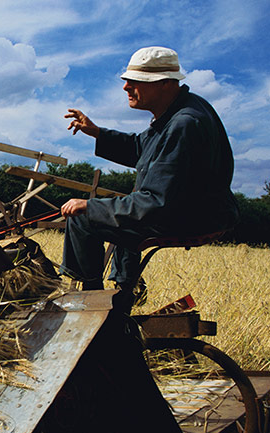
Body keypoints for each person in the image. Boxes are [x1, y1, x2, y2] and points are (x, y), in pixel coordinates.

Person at [60, 46, 238, 292]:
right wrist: (98, 132)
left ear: (165, 83)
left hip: (193, 216)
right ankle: (124, 290)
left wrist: (89, 206)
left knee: (84, 218)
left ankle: (89, 301)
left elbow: (155, 202)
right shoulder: (179, 110)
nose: (125, 87)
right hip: (192, 210)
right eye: (127, 81)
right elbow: (140, 147)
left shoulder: (184, 124)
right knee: (118, 210)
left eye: (136, 81)